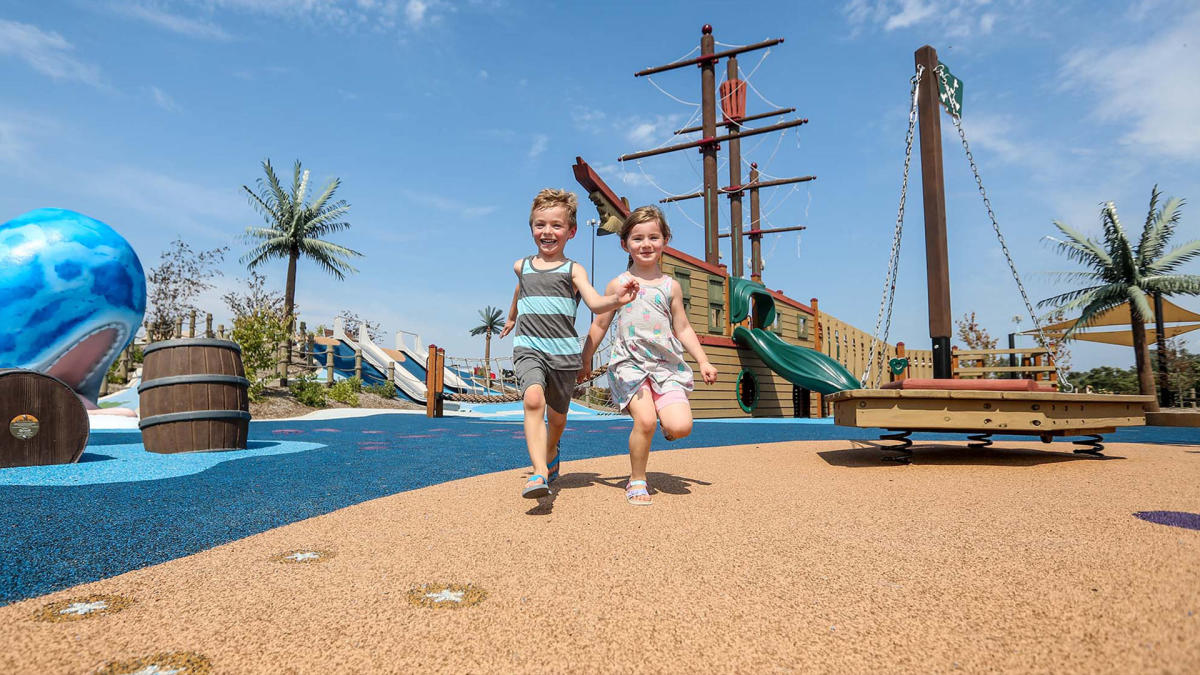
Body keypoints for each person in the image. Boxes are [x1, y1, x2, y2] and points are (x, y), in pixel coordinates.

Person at [499, 189, 639, 499]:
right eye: (540, 224)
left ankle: (551, 450)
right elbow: (520, 292)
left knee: (558, 418)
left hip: (563, 354)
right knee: (533, 401)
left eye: (556, 226)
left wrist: (618, 299)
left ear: (571, 231)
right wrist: (511, 318)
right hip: (528, 348)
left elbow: (594, 302)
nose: (547, 232)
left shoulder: (573, 269)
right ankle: (538, 474)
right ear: (532, 227)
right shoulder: (521, 266)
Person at [580, 205, 718, 506]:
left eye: (653, 237)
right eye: (638, 238)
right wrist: (586, 359)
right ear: (625, 243)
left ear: (665, 240)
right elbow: (600, 324)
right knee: (645, 421)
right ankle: (637, 479)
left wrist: (703, 359)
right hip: (629, 364)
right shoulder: (618, 284)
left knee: (681, 427)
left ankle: (666, 424)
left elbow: (682, 328)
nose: (646, 244)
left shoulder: (671, 287)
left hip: (665, 365)